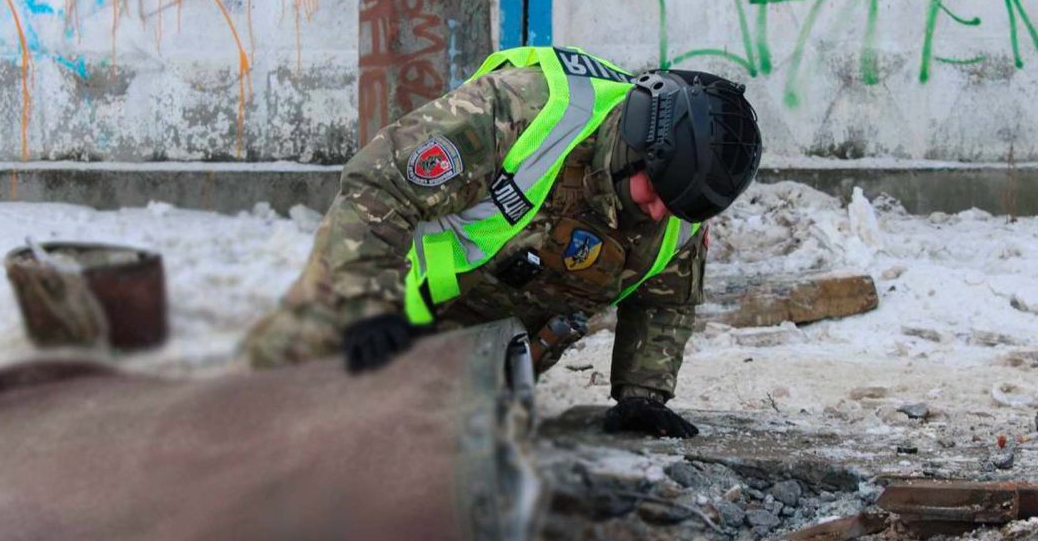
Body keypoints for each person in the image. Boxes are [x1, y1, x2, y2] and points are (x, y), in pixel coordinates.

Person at [245, 46, 762, 438]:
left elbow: (666, 300)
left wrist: (642, 394)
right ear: (639, 141)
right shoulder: (523, 111)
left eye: (679, 208)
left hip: (475, 365)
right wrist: (365, 305)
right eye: (656, 194)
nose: (659, 214)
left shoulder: (679, 204)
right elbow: (377, 186)